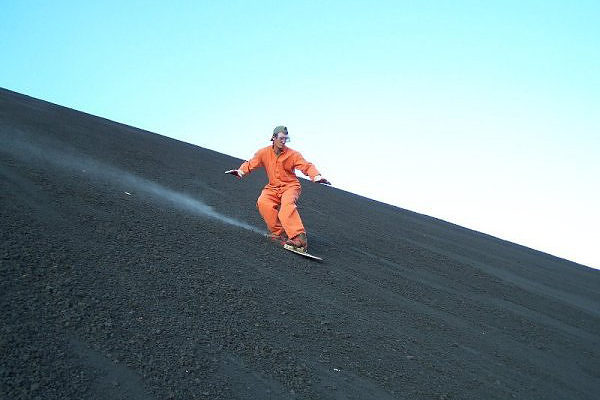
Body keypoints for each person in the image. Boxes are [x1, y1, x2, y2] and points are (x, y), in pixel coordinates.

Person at [225, 126, 330, 251]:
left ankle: (299, 238)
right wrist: (240, 171)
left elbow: (306, 166)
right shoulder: (263, 152)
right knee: (263, 202)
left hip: (290, 186)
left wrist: (316, 176)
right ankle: (279, 233)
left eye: (286, 139)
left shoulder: (293, 154)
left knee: (287, 207)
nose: (284, 141)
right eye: (281, 138)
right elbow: (251, 163)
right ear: (273, 138)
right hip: (273, 187)